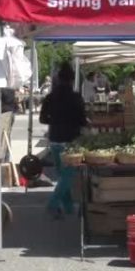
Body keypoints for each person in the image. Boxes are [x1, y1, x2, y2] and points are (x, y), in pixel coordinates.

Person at [40, 63, 87, 219]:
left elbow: (42, 118)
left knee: (63, 175)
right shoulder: (75, 97)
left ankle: (68, 208)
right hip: (71, 140)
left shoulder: (50, 97)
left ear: (58, 79)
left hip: (54, 138)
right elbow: (82, 120)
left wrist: (54, 119)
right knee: (69, 175)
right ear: (72, 80)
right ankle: (53, 204)